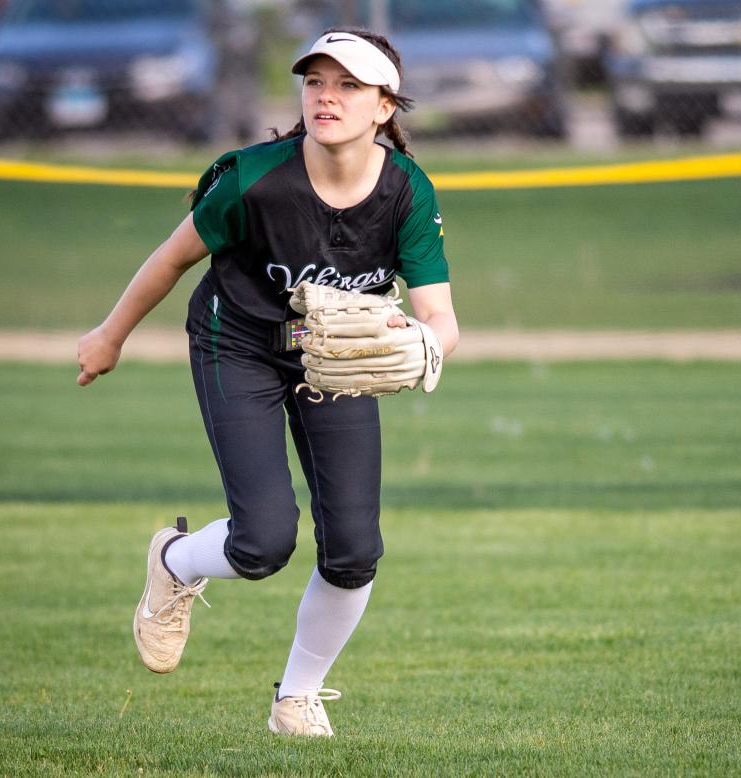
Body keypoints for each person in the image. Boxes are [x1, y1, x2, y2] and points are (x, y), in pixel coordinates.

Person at [76, 28, 460, 737]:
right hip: (238, 344)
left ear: (383, 107)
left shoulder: (406, 189)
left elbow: (439, 313)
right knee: (263, 543)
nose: (326, 96)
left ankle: (295, 700)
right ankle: (173, 560)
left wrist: (425, 343)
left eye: (348, 86)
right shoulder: (256, 178)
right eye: (315, 81)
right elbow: (170, 259)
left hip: (333, 363)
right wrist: (109, 335)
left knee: (353, 551)